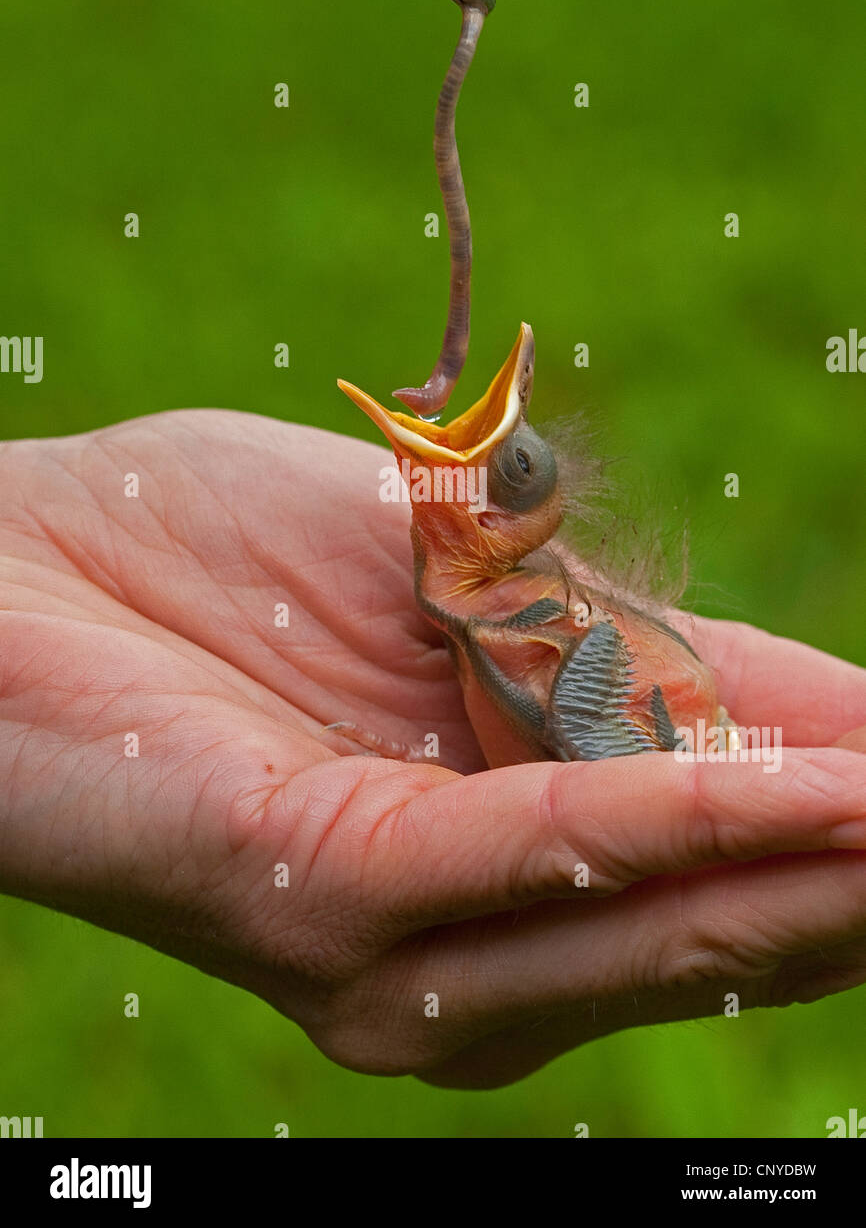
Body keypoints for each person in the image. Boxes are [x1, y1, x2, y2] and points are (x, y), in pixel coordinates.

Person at [1, 410, 865, 1089]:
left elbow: (601, 684)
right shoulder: (489, 602)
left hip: (623, 724)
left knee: (616, 762)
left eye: (508, 466)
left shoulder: (511, 612)